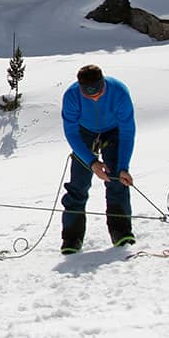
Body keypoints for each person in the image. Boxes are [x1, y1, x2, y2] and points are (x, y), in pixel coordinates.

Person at [59, 64, 136, 254]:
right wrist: (91, 162)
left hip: (113, 131)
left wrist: (124, 166)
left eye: (99, 93)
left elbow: (127, 132)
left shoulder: (119, 92)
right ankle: (71, 238)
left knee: (117, 179)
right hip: (84, 133)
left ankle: (121, 232)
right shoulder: (71, 96)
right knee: (78, 185)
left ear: (103, 84)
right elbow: (71, 132)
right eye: (90, 95)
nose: (95, 97)